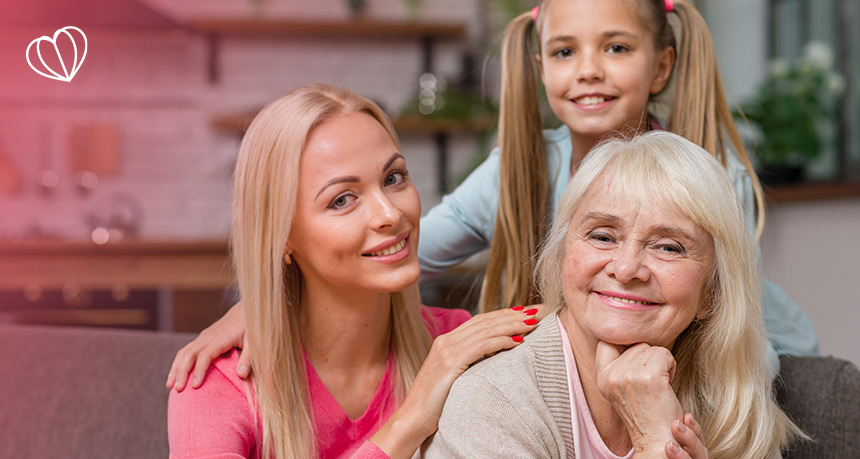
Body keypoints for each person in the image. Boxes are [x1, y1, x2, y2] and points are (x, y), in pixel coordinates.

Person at [165, 0, 817, 390]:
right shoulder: (521, 166)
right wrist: (265, 303)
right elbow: (398, 250)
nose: (587, 68)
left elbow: (741, 341)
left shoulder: (710, 172)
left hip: (768, 356)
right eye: (565, 51)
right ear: (540, 68)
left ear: (662, 66)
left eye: (616, 47)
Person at [167, 84, 547, 459]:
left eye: (393, 178)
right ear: (281, 236)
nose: (390, 214)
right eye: (342, 200)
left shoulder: (456, 345)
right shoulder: (219, 385)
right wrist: (409, 422)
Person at [422, 131, 805, 459]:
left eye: (668, 247)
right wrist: (655, 444)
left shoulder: (728, 395)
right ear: (560, 259)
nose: (625, 269)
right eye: (602, 236)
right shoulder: (494, 400)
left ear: (712, 293)